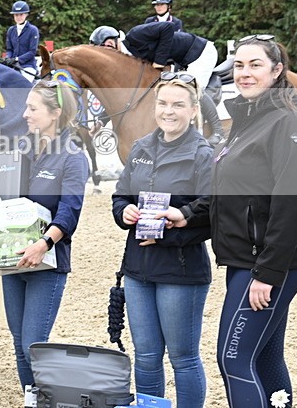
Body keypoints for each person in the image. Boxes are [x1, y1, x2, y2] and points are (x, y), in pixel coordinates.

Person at [159, 36, 297, 407]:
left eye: (255, 65)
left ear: (277, 70)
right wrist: (187, 215)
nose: (244, 73)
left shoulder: (289, 122)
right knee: (264, 356)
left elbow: (290, 203)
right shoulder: (247, 121)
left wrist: (266, 272)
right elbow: (231, 191)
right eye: (239, 65)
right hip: (243, 259)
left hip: (265, 263)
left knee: (233, 358)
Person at [0, 80, 89, 390]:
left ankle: (50, 395)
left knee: (33, 344)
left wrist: (43, 244)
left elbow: (70, 211)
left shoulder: (72, 157)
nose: (25, 114)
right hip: (12, 259)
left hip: (47, 262)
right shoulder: (16, 148)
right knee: (18, 343)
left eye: (32, 108)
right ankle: (33, 399)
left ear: (55, 113)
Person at [111, 71, 213, 407]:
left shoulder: (203, 153)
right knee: (146, 356)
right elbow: (120, 195)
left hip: (180, 271)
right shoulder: (140, 147)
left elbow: (213, 211)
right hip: (139, 268)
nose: (169, 111)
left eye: (178, 105)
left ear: (194, 110)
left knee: (183, 358)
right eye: (163, 103)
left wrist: (174, 226)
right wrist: (123, 211)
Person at [121, 21, 226, 144]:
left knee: (193, 89)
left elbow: (168, 27)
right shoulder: (130, 57)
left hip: (201, 53)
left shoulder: (135, 35)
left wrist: (160, 60)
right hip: (183, 60)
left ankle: (218, 132)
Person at [5, 0, 40, 81]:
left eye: (21, 15)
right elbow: (9, 49)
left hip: (28, 66)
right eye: (16, 15)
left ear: (26, 15)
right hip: (14, 65)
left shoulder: (33, 30)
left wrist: (17, 59)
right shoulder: (11, 30)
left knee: (23, 84)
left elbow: (32, 51)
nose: (18, 17)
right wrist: (8, 58)